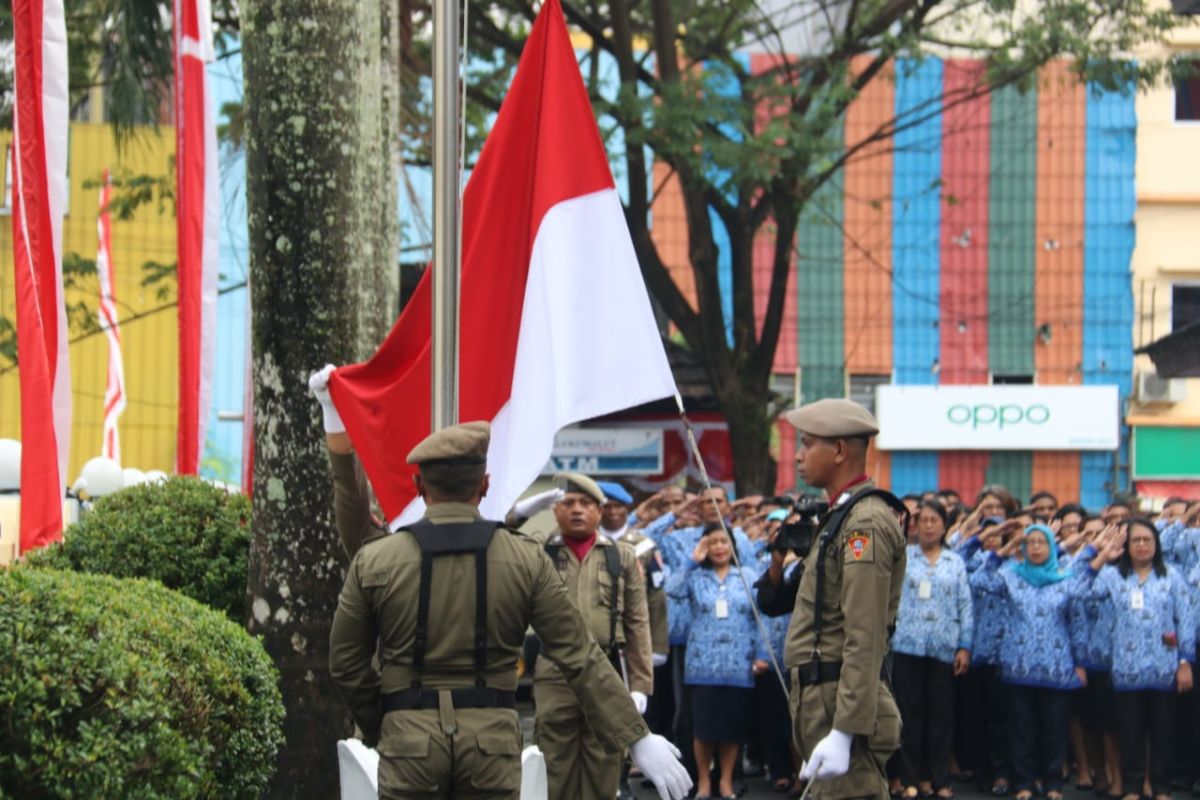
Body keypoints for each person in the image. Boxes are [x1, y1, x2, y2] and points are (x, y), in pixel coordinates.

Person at [313, 410, 691, 796]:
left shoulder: (377, 559)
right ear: (485, 485)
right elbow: (579, 653)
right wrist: (636, 737)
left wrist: (385, 722)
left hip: (408, 739)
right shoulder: (525, 558)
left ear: (419, 486)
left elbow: (346, 664)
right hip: (491, 742)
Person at [781, 398, 906, 799]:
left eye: (807, 443)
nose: (798, 456)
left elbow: (864, 633)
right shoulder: (843, 515)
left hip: (840, 702)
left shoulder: (864, 522)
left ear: (838, 451)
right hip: (826, 698)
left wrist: (844, 729)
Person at [529, 472, 656, 799]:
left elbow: (637, 622)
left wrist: (641, 683)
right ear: (555, 510)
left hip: (606, 668)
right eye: (568, 503)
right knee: (555, 760)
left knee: (606, 759)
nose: (576, 510)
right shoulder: (539, 554)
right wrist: (521, 512)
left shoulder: (620, 556)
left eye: (586, 503)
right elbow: (502, 534)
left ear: (600, 512)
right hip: (555, 672)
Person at [966, 524, 1087, 800]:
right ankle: (1024, 782)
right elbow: (979, 581)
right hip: (1018, 665)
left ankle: (1052, 782)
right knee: (1021, 728)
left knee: (1054, 728)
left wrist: (1079, 662)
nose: (1035, 548)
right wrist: (1003, 552)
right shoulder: (1011, 577)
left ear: (1051, 547)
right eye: (1029, 543)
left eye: (1041, 542)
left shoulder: (1066, 579)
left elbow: (1076, 624)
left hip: (1057, 666)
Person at [1086, 518, 1195, 800]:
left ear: (1156, 544)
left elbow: (1186, 620)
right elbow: (1082, 593)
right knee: (1130, 732)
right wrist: (1097, 556)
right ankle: (1133, 787)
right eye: (1136, 540)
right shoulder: (1113, 576)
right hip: (1126, 668)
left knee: (1162, 732)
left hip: (1165, 668)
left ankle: (1161, 787)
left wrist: (1185, 662)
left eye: (1148, 539)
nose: (1143, 545)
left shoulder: (1171, 575)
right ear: (1127, 545)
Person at [667, 525, 770, 799]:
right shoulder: (696, 577)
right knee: (703, 729)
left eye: (724, 541)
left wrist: (762, 654)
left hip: (738, 665)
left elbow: (761, 618)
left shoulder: (747, 575)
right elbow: (672, 589)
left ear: (732, 545)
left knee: (731, 728)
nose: (719, 547)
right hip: (702, 666)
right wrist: (692, 558)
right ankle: (703, 781)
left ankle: (725, 780)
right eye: (712, 542)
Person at [890, 501, 973, 800]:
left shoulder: (955, 562)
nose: (927, 525)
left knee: (941, 717)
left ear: (943, 525)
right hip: (908, 644)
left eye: (933, 520)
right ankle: (911, 778)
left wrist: (965, 646)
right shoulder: (903, 557)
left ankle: (938, 779)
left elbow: (965, 605)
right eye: (922, 520)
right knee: (909, 715)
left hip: (943, 647)